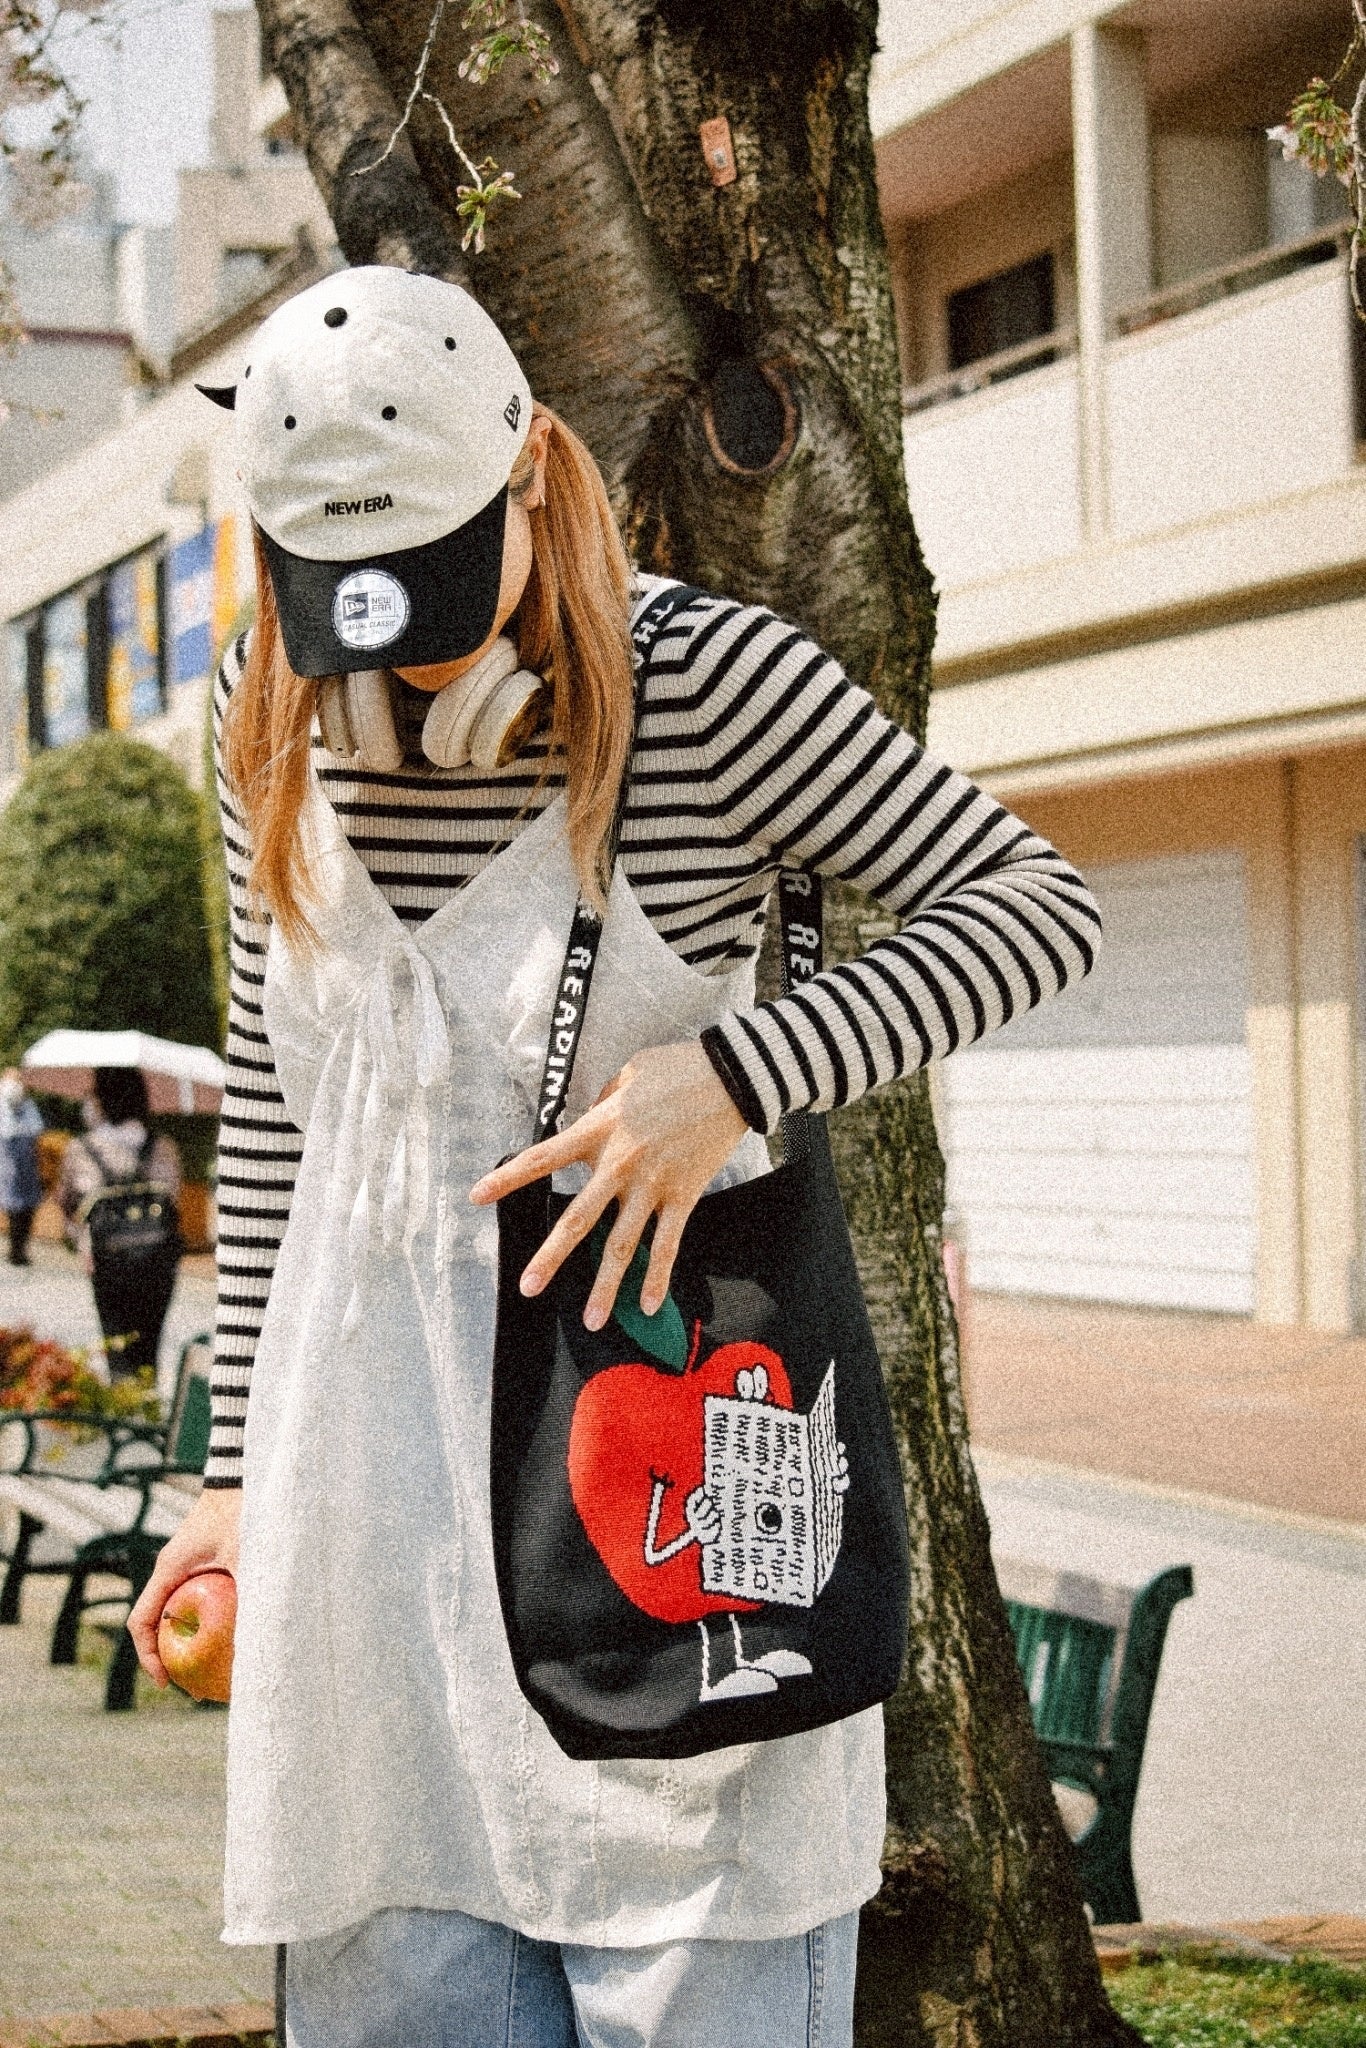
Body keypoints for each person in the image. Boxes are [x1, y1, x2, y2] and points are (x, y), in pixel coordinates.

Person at [129, 268, 1102, 2048]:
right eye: (342, 593)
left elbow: (1035, 908)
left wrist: (738, 1073)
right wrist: (228, 1480)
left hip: (662, 1526)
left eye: (431, 580)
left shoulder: (715, 685)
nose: (399, 655)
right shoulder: (265, 702)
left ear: (531, 474)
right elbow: (277, 1116)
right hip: (375, 1570)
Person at [58, 1067, 181, 1380]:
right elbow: (174, 1200)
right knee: (149, 1344)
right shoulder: (162, 1146)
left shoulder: (81, 1150)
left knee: (116, 1342)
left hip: (107, 1260)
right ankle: (147, 1399)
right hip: (158, 1261)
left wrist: (80, 1242)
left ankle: (123, 1400)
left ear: (102, 1100)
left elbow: (67, 1206)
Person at [0, 1069, 44, 1266]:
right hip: (7, 1163)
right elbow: (7, 1132)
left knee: (26, 1207)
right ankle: (16, 1250)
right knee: (13, 1206)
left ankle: (20, 1249)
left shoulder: (28, 1105)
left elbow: (37, 1128)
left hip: (27, 1164)